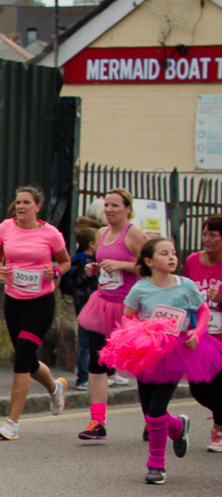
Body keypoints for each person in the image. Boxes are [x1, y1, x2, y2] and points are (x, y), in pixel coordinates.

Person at [105, 237, 220, 484]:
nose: (172, 258)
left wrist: (197, 334)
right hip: (147, 353)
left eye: (174, 253)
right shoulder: (140, 288)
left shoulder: (185, 286)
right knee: (149, 414)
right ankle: (178, 427)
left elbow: (203, 311)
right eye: (164, 253)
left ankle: (156, 466)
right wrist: (134, 333)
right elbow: (128, 316)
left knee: (156, 412)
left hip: (175, 352)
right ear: (149, 261)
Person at [0, 185, 68, 440]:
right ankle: (55, 388)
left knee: (22, 353)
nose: (20, 206)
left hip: (41, 302)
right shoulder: (5, 228)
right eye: (18, 202)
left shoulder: (51, 234)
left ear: (37, 206)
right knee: (29, 361)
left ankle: (12, 424)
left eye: (26, 202)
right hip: (13, 300)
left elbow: (65, 261)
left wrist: (55, 271)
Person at [75, 189, 146, 441]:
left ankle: (153, 418)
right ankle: (97, 422)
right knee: (97, 363)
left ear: (128, 208)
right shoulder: (102, 233)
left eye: (115, 205)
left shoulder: (134, 234)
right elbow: (103, 263)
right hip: (102, 304)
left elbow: (149, 264)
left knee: (140, 365)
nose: (109, 209)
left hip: (128, 308)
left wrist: (123, 265)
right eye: (106, 205)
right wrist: (93, 267)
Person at [182, 214, 222, 451]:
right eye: (205, 234)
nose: (206, 239)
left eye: (213, 235)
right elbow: (185, 291)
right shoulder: (193, 261)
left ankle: (218, 431)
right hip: (201, 335)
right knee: (198, 387)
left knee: (218, 385)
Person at [61, 220, 100, 390]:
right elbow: (93, 283)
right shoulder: (89, 262)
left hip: (80, 306)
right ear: (91, 243)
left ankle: (84, 377)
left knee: (85, 342)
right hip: (92, 306)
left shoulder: (74, 259)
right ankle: (84, 377)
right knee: (91, 343)